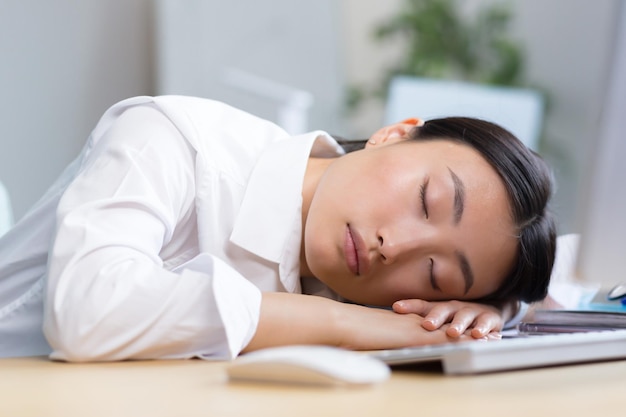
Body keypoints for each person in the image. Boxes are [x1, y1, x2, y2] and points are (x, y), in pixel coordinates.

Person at [0, 95, 556, 361]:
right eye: (426, 201)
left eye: (435, 275)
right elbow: (87, 314)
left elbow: (550, 293)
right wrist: (339, 323)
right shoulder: (176, 138)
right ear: (395, 134)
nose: (397, 248)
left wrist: (488, 314)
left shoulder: (362, 275)